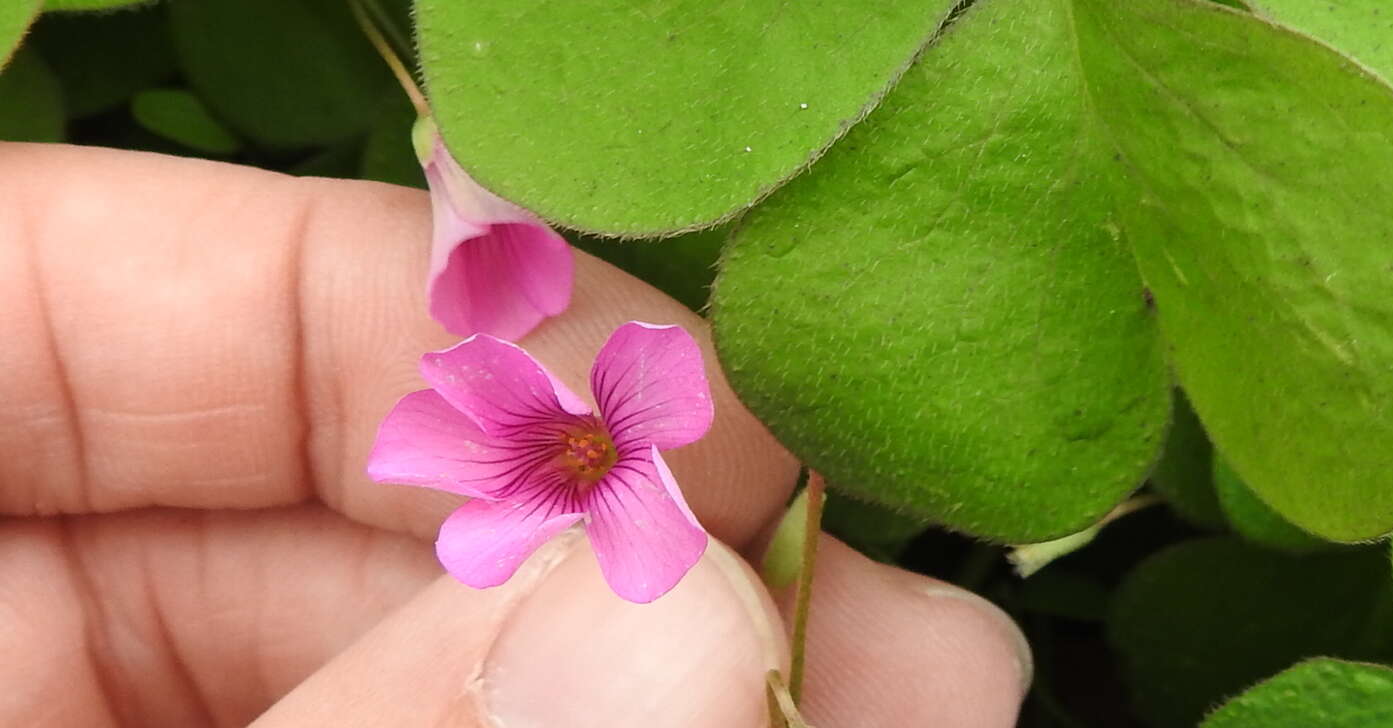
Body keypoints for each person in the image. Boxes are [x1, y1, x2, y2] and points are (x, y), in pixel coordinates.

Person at [0, 142, 1031, 727]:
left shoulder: (611, 411)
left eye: (580, 440)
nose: (580, 448)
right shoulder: (592, 445)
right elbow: (510, 504)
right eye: (576, 445)